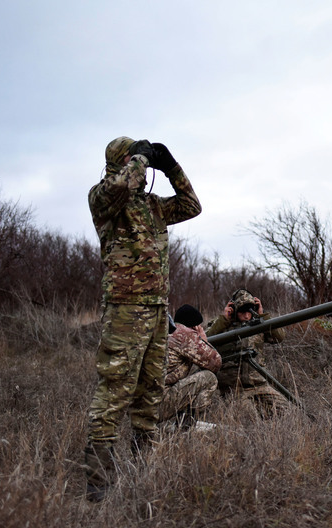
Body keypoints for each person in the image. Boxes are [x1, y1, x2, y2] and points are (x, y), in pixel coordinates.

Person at [84, 136, 202, 502]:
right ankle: (99, 484)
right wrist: (139, 157)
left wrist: (171, 167)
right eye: (136, 161)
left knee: (150, 393)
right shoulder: (104, 199)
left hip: (155, 311)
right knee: (115, 390)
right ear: (122, 162)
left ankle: (142, 471)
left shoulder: (152, 206)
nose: (143, 166)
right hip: (124, 309)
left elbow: (191, 206)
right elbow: (119, 184)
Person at [205, 288, 289, 418]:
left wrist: (263, 315)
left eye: (249, 311)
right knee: (248, 417)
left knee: (286, 411)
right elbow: (204, 340)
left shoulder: (258, 324)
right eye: (242, 311)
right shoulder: (221, 325)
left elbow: (279, 337)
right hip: (234, 388)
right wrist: (224, 320)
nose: (246, 316)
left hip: (259, 385)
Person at [159, 304, 221, 428]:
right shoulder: (185, 334)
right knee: (209, 378)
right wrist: (203, 340)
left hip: (145, 403)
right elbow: (215, 363)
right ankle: (185, 426)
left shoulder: (166, 330)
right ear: (194, 326)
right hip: (159, 405)